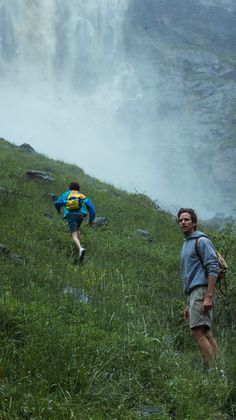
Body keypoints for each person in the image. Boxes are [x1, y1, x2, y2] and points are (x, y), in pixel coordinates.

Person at [177, 207, 220, 369]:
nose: (183, 222)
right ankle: (219, 370)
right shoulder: (187, 243)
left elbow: (213, 267)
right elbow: (190, 275)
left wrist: (208, 295)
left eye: (186, 219)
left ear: (194, 223)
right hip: (195, 292)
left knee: (196, 332)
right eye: (180, 220)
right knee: (205, 331)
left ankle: (212, 371)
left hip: (202, 290)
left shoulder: (201, 241)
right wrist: (189, 302)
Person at [54, 182, 96, 260]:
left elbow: (57, 203)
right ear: (78, 189)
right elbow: (92, 208)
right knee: (77, 230)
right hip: (80, 216)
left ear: (69, 188)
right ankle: (79, 249)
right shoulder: (81, 195)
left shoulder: (66, 194)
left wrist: (58, 210)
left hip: (71, 216)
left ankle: (80, 248)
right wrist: (90, 221)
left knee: (74, 235)